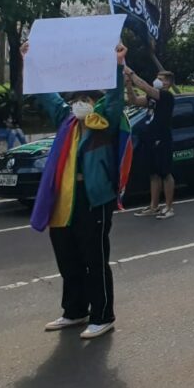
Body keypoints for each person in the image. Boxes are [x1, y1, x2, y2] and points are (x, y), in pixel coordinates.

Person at [25, 41, 128, 340]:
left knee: (94, 260)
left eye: (87, 98)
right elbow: (47, 96)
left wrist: (118, 65)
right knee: (67, 257)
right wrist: (31, 62)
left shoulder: (105, 122)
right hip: (63, 200)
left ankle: (103, 315)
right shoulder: (66, 120)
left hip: (93, 199)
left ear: (97, 100)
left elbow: (117, 98)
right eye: (77, 98)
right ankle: (74, 310)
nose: (80, 102)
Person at [124, 68, 176, 219]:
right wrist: (128, 85)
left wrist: (131, 73)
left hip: (163, 140)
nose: (158, 80)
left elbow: (144, 86)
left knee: (165, 173)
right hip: (150, 139)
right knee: (153, 174)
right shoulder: (153, 97)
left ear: (169, 83)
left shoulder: (166, 96)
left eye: (162, 79)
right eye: (157, 77)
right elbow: (134, 100)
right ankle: (154, 206)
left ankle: (169, 207)